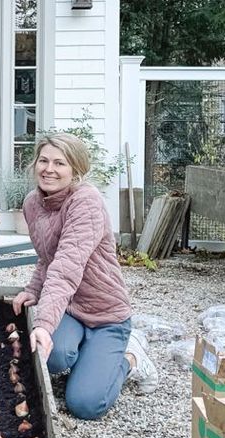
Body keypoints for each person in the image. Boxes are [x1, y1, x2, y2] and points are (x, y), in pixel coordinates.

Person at [11, 133, 158, 420]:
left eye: (60, 163)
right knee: (51, 357)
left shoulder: (86, 202)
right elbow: (48, 257)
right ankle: (90, 361)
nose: (49, 169)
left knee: (85, 404)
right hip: (70, 310)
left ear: (76, 170)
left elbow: (66, 266)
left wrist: (42, 324)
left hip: (106, 316)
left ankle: (131, 358)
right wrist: (33, 289)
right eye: (43, 160)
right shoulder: (32, 203)